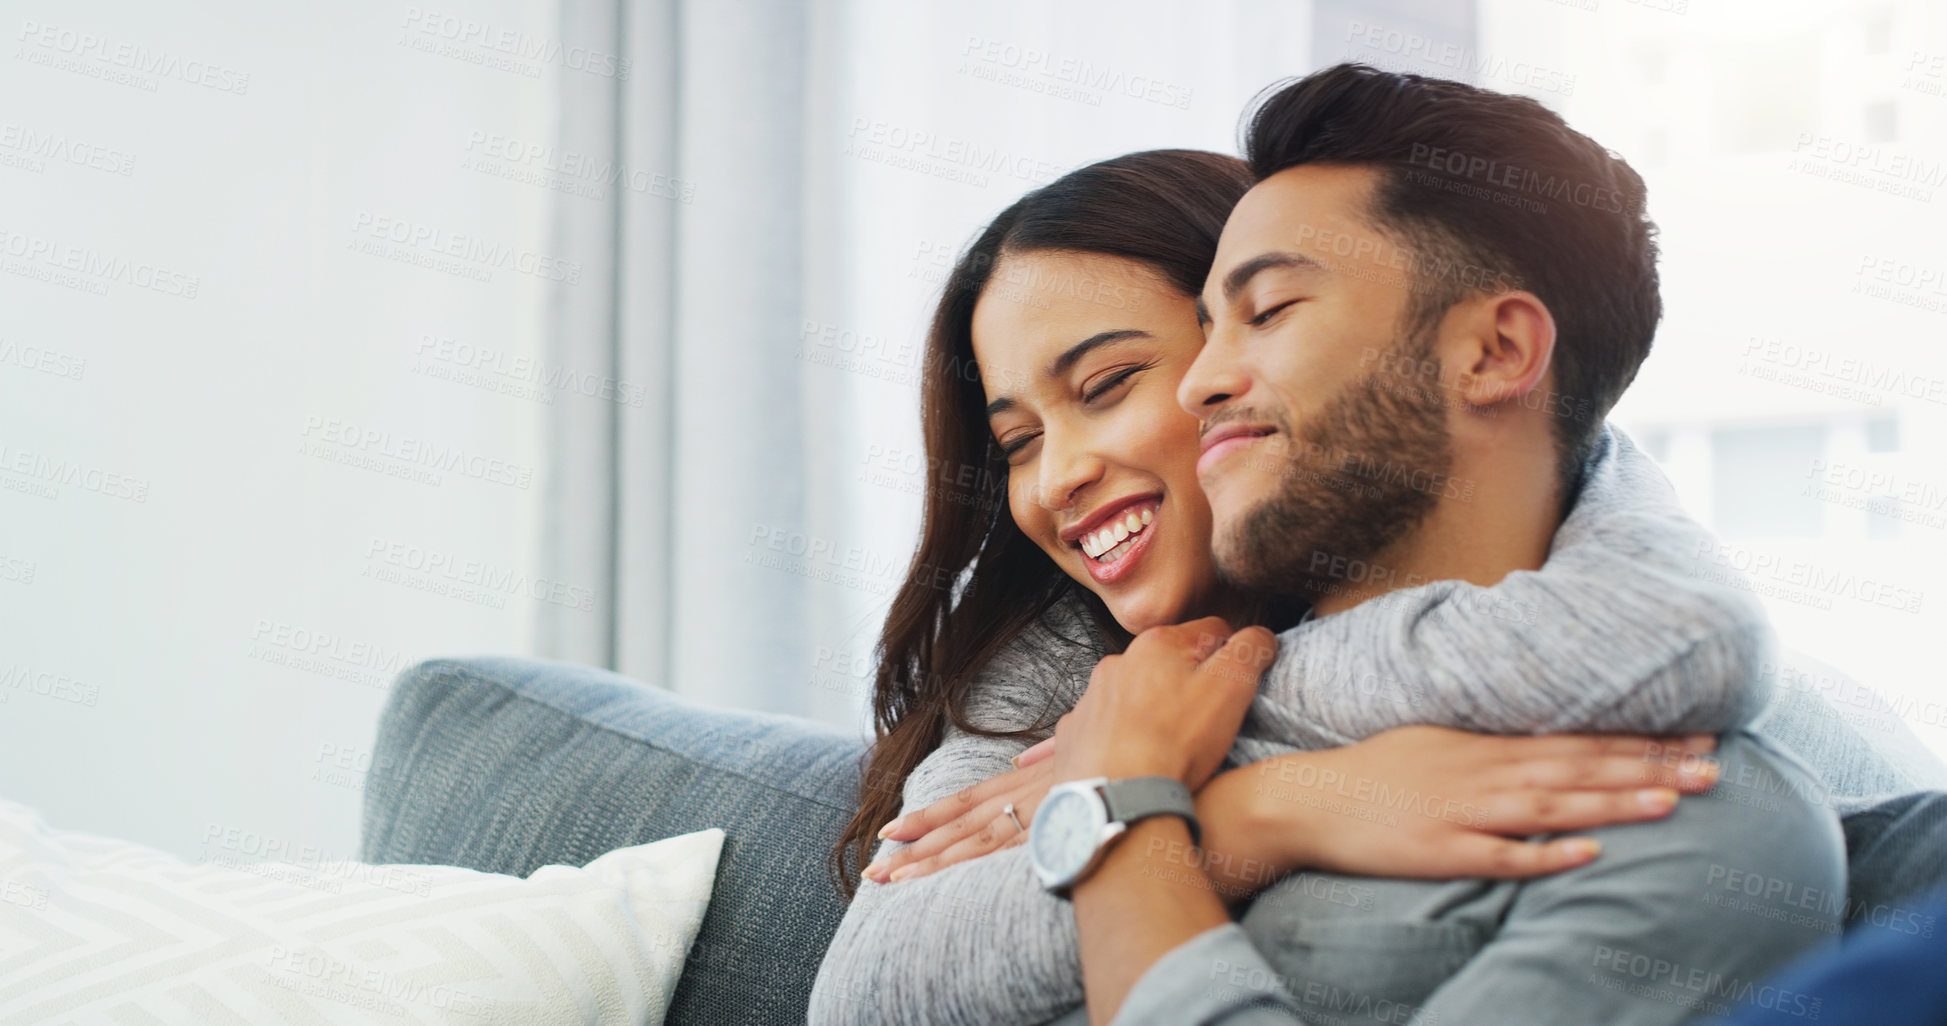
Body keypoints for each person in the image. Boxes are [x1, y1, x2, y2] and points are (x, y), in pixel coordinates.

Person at [808, 68, 1854, 1026]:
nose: (1056, 476)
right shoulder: (1080, 659)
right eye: (1017, 443)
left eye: (1110, 383)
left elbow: (1674, 636)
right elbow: (866, 987)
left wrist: (1138, 775)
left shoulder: (1649, 726)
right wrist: (1240, 804)